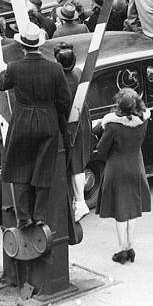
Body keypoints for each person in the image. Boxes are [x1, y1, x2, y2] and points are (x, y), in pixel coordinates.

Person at [0, 23, 71, 228]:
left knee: (19, 168)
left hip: (22, 120)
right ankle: (39, 215)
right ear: (39, 45)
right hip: (48, 120)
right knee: (43, 168)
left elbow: (2, 84)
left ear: (22, 46)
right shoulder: (55, 68)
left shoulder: (14, 67)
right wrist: (56, 116)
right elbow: (65, 100)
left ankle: (24, 217)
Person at [95, 88, 151, 264]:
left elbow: (101, 149)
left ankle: (121, 250)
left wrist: (100, 127)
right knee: (132, 208)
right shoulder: (144, 121)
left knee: (120, 210)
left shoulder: (112, 125)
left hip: (117, 169)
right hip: (136, 166)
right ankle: (130, 246)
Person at [53, 43, 92, 222]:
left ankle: (80, 203)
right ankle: (77, 201)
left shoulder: (60, 80)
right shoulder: (77, 73)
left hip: (70, 123)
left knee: (75, 165)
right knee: (78, 163)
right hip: (81, 119)